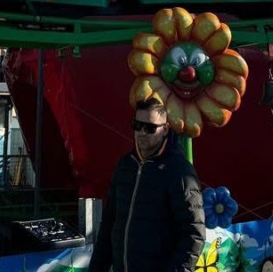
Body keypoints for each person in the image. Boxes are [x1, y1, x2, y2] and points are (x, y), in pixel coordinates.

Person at [88, 96, 205, 272]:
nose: (142, 132)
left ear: (165, 129)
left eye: (150, 128)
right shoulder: (125, 165)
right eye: (137, 125)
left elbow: (194, 234)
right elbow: (109, 224)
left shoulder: (179, 171)